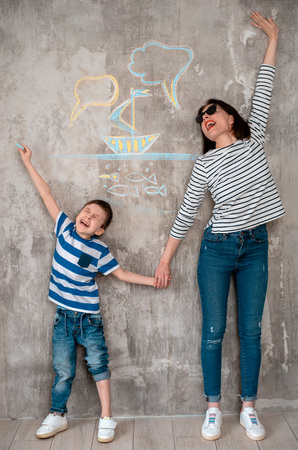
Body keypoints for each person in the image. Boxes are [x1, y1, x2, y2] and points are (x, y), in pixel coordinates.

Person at [154, 11, 284, 442]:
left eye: (213, 111)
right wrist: (165, 260)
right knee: (214, 330)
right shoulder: (204, 164)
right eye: (201, 117)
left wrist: (274, 38)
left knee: (251, 331)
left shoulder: (255, 140)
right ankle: (212, 408)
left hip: (256, 247)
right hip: (217, 249)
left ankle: (248, 408)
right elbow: (187, 213)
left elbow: (264, 87)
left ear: (230, 117)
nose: (205, 117)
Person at [17, 145, 166, 443]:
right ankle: (57, 415)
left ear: (100, 230)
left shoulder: (100, 250)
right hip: (62, 319)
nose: (88, 215)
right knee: (63, 370)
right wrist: (28, 162)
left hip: (89, 320)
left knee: (99, 366)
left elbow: (121, 274)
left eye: (95, 217)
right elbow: (46, 194)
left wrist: (153, 281)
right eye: (86, 210)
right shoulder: (64, 229)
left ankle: (107, 418)